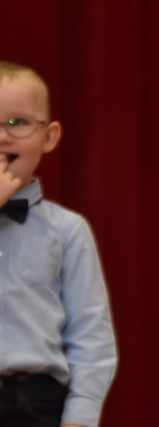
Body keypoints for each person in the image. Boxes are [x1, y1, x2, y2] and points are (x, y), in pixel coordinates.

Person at [0, 61, 117, 427]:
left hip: (34, 405)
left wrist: (80, 416)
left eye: (17, 122)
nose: (2, 136)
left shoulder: (67, 230)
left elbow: (91, 335)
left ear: (49, 137)